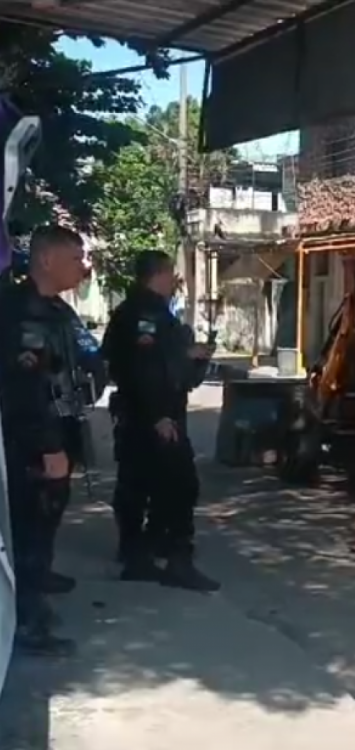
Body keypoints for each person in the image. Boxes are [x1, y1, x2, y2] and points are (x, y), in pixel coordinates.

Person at [102, 250, 218, 592]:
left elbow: (168, 369)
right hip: (155, 416)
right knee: (180, 486)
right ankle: (177, 559)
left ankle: (139, 553)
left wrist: (191, 359)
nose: (175, 283)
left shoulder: (134, 312)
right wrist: (159, 415)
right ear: (160, 275)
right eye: (172, 276)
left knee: (137, 485)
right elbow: (144, 369)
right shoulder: (145, 315)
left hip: (143, 414)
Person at [0, 224, 90, 656]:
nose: (83, 267)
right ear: (47, 260)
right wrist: (47, 446)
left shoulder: (56, 310)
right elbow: (22, 390)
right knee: (29, 530)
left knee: (48, 520)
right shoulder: (22, 312)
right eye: (76, 258)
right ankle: (28, 624)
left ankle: (39, 587)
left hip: (61, 428)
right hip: (33, 443)